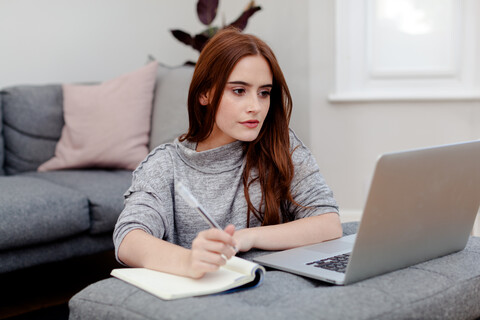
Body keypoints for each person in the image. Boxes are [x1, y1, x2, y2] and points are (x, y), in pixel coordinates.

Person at [114, 27, 342, 279]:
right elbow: (129, 238)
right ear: (205, 94)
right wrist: (189, 260)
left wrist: (248, 237)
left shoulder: (281, 144)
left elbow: (328, 222)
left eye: (264, 93)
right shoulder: (165, 164)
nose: (255, 107)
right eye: (239, 91)